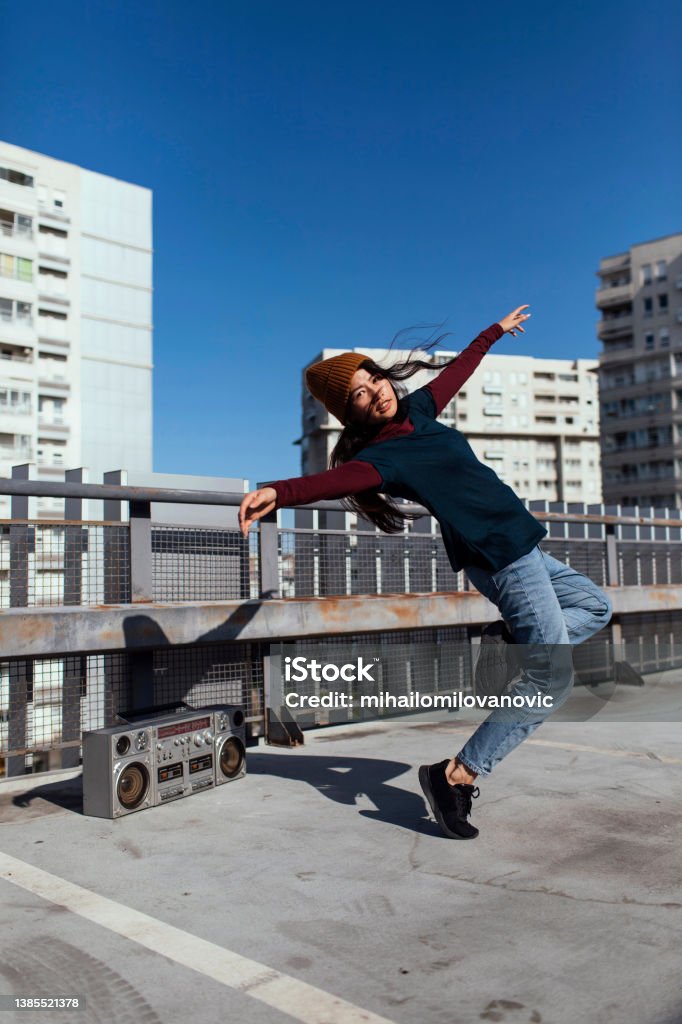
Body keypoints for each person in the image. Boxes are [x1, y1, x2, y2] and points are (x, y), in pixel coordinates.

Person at [239, 306, 612, 840]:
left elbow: (456, 371)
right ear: (354, 414)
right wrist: (278, 491)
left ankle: (510, 641)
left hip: (523, 547)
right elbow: (330, 480)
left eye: (373, 379)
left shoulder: (419, 409)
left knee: (596, 606)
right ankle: (455, 776)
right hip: (501, 559)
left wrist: (494, 332)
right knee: (550, 678)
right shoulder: (383, 458)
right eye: (362, 395)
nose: (376, 392)